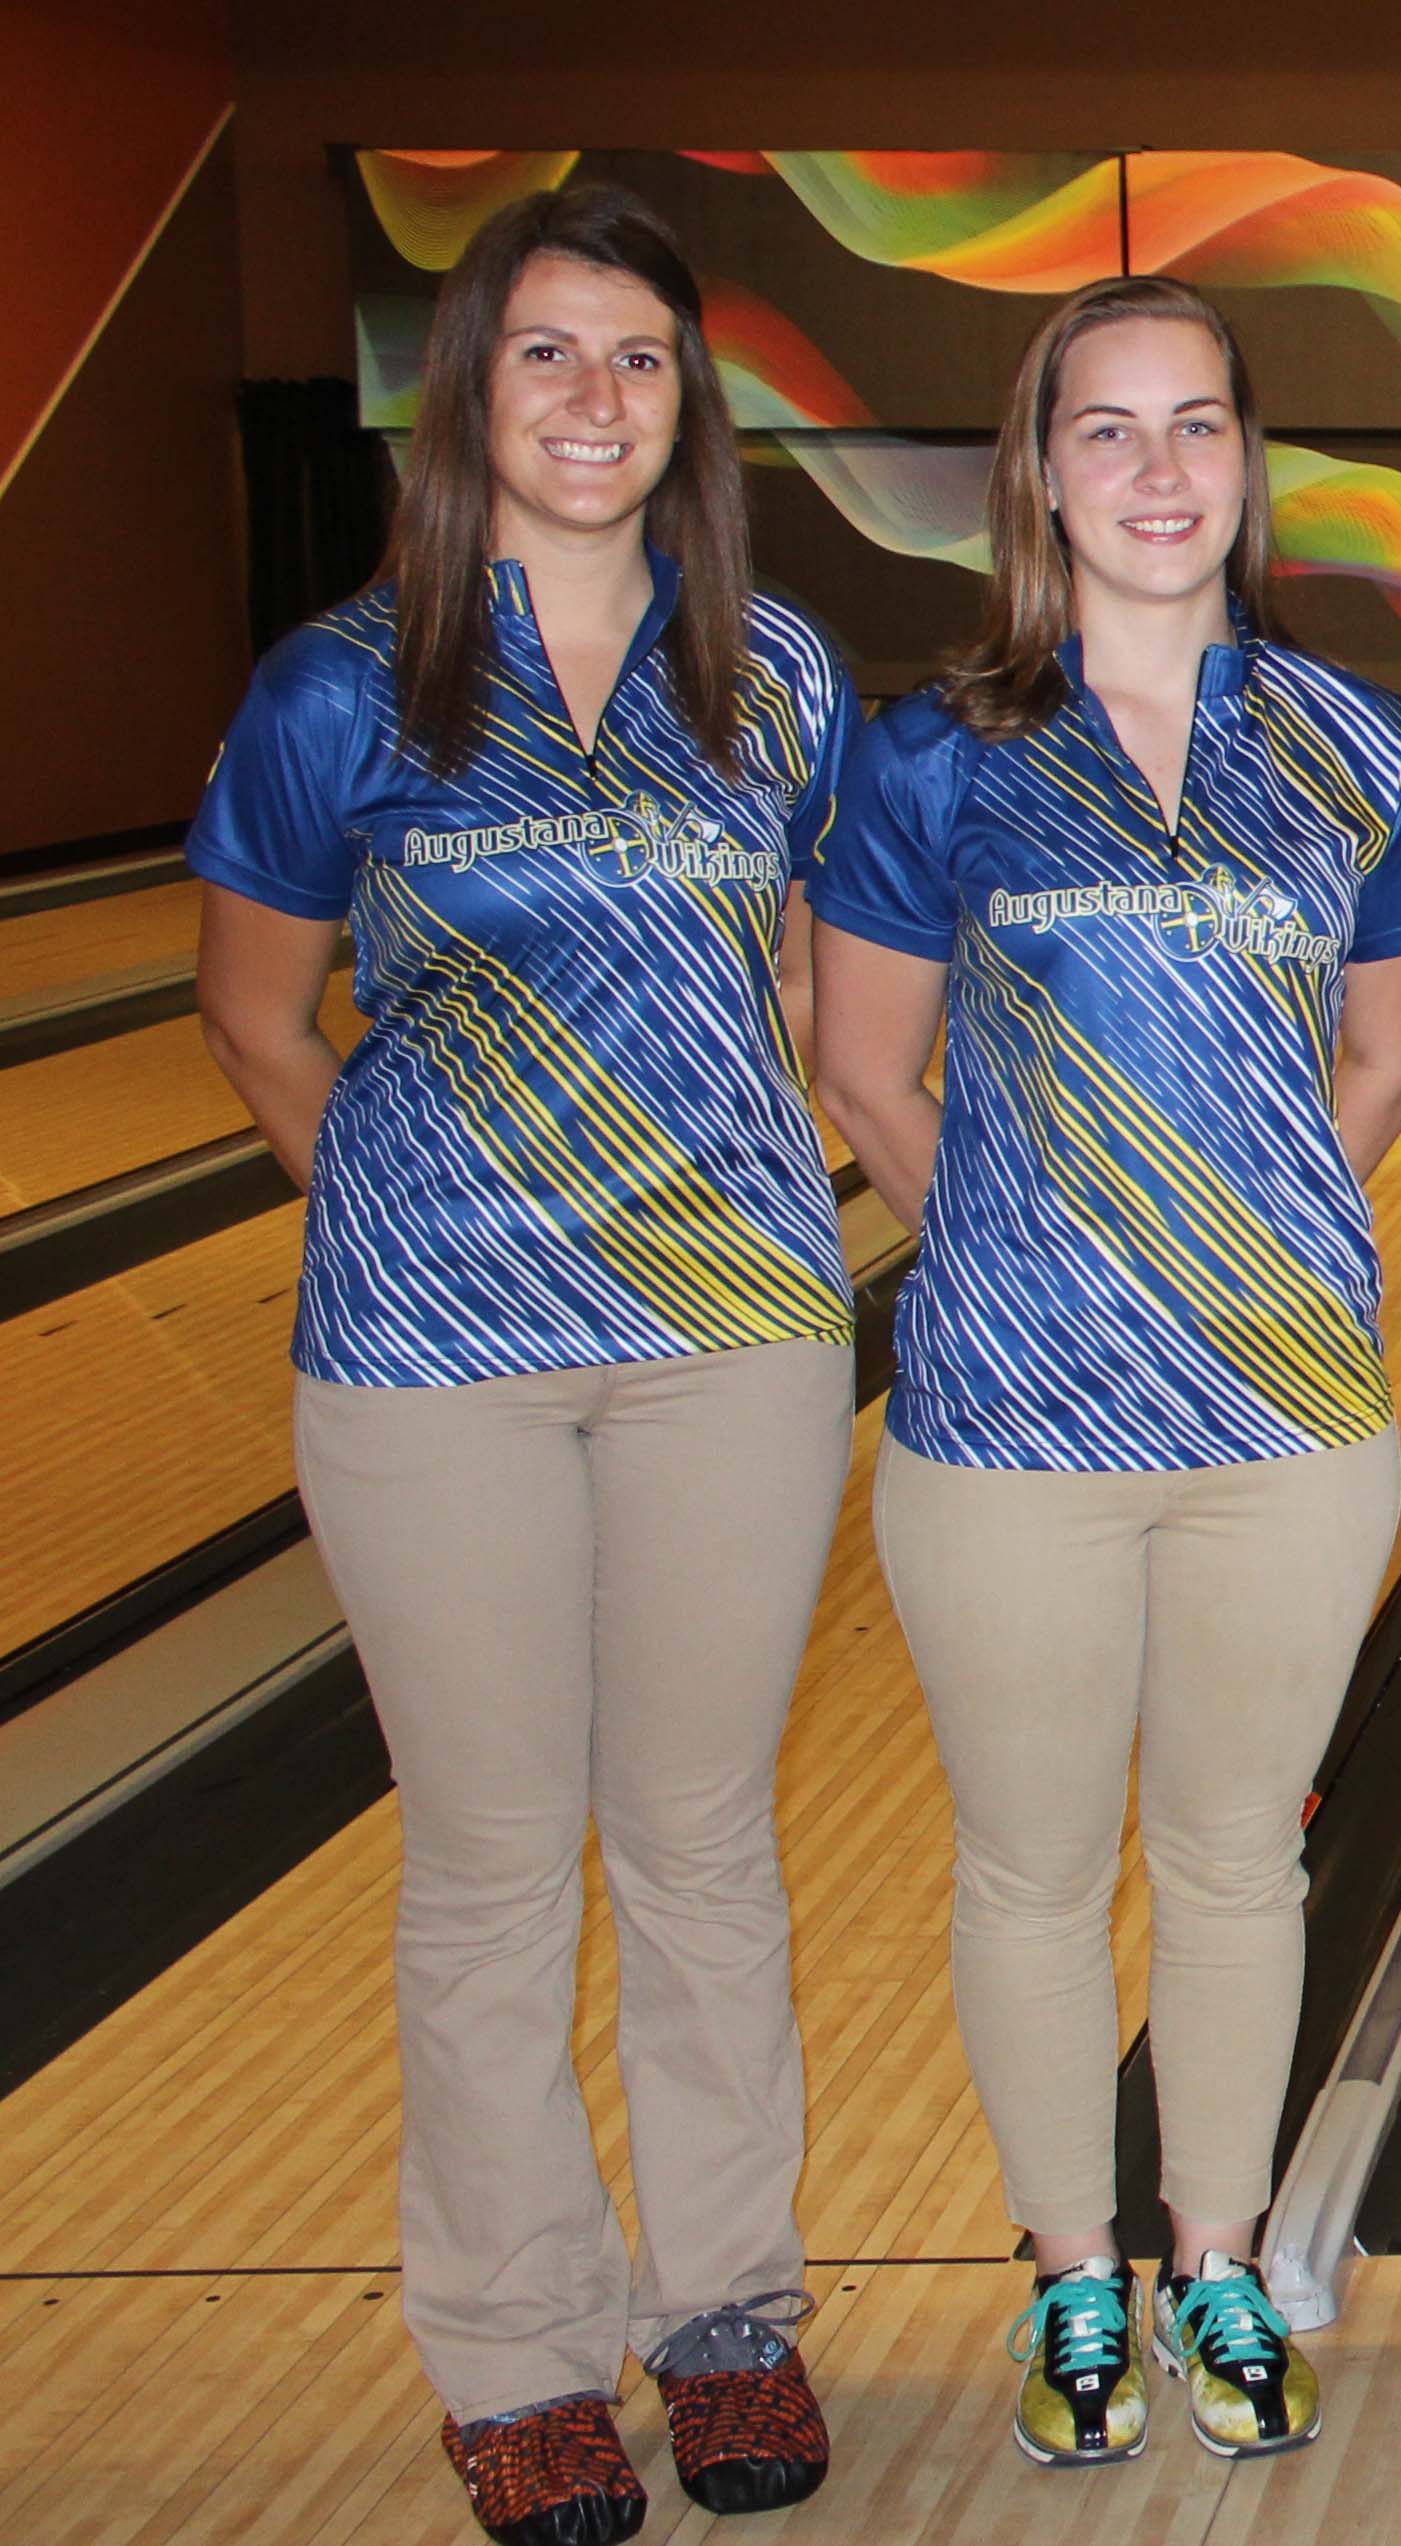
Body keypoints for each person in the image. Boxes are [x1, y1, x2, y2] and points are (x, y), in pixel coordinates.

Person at [186, 181, 854, 2546]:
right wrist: (407, 1213)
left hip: (733, 1337)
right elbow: (261, 1017)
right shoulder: (337, 690)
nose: (593, 400)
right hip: (430, 1351)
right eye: (547, 356)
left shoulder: (774, 672)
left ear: (691, 407)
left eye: (638, 360)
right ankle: (513, 2351)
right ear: (469, 395)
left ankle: (728, 2313)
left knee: (698, 1842)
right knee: (486, 1861)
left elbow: (785, 984)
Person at [807, 273, 1401, 2472]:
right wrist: (1023, 1233)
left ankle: (1215, 2259)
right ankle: (1068, 2274)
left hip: (1285, 1407)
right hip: (1007, 1411)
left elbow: (1388, 1038)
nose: (1161, 471)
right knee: (1024, 1858)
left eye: (1199, 427)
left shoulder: (1352, 739)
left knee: (1236, 1857)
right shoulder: (937, 757)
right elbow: (866, 1061)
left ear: (1248, 463)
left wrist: (1260, 1212)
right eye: (1110, 430)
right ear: (1042, 471)